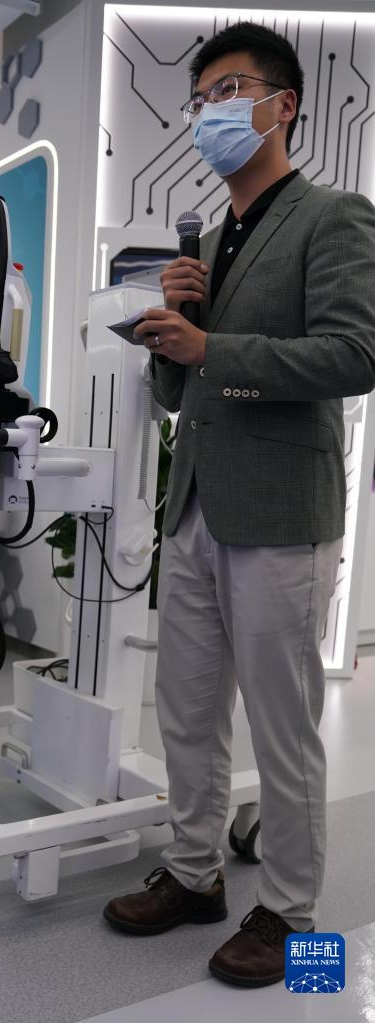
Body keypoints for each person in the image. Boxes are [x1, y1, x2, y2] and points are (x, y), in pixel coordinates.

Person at [102, 21, 375, 988]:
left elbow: (355, 355)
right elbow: (185, 392)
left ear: (282, 104)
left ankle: (292, 916)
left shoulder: (334, 218)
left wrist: (212, 347)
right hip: (195, 507)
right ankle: (194, 870)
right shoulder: (209, 243)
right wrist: (174, 333)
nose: (208, 111)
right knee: (184, 709)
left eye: (227, 91)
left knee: (283, 727)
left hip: (280, 512)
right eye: (199, 99)